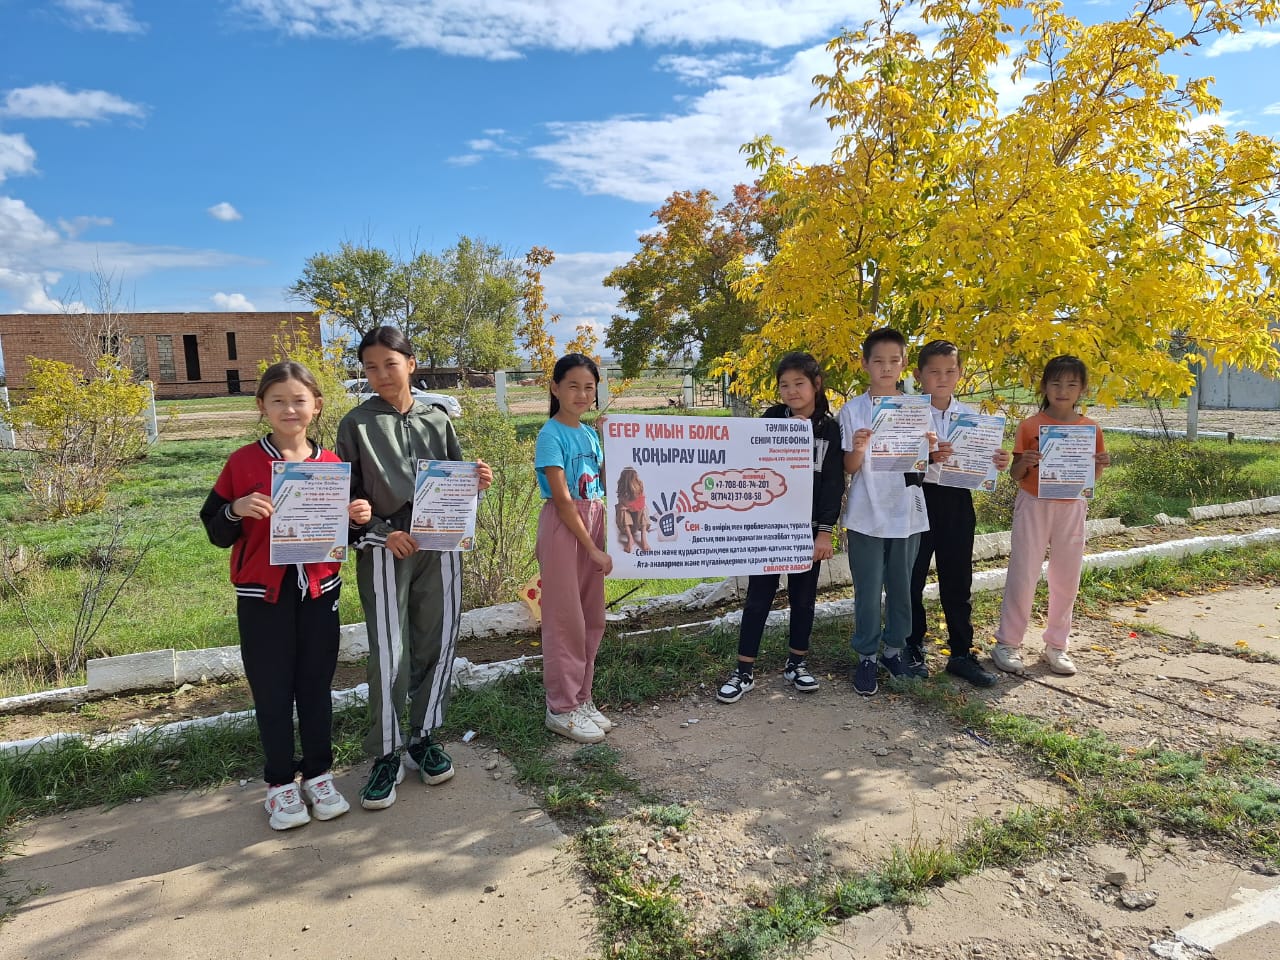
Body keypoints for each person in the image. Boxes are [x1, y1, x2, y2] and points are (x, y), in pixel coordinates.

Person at [201, 361, 371, 830]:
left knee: (316, 688)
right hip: (263, 598)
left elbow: (346, 538)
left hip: (320, 594)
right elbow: (215, 530)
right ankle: (279, 786)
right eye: (278, 400)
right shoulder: (243, 463)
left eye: (300, 400)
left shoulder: (333, 465)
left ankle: (318, 775)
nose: (289, 408)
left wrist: (356, 518)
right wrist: (236, 509)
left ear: (316, 406)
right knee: (273, 692)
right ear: (262, 407)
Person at [335, 327, 493, 810]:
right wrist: (383, 530)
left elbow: (454, 479)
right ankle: (386, 752)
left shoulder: (437, 418)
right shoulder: (356, 423)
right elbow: (347, 495)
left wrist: (477, 482)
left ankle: (423, 737)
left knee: (438, 639)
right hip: (385, 549)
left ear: (411, 362)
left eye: (389, 363)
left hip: (440, 546)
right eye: (370, 367)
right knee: (389, 649)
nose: (381, 374)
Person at [716, 352, 845, 704]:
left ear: (816, 385)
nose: (791, 391)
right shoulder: (771, 418)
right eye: (784, 385)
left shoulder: (830, 430)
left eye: (799, 384)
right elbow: (740, 456)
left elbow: (834, 484)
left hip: (806, 531)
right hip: (769, 530)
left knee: (804, 600)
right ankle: (743, 671)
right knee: (759, 598)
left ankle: (796, 664)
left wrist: (824, 532)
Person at [991, 355, 1110, 677]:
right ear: (1044, 386)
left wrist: (1099, 465)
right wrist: (1025, 462)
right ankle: (1007, 643)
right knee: (1023, 573)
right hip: (1033, 503)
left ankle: (1056, 645)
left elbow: (1090, 477)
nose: (1063, 390)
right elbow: (1015, 475)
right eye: (1056, 383)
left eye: (1072, 384)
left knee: (1066, 578)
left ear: (1082, 389)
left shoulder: (1090, 428)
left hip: (1072, 506)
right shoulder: (1030, 426)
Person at [906, 341, 1008, 687]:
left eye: (950, 371)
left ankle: (962, 653)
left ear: (961, 373)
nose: (943, 377)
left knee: (958, 579)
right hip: (918, 499)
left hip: (958, 501)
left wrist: (996, 463)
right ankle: (911, 645)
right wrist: (927, 456)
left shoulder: (974, 419)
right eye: (934, 371)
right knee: (912, 577)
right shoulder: (908, 414)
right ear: (919, 375)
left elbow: (981, 465)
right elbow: (895, 463)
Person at [839, 328, 932, 697]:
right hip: (865, 514)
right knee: (866, 589)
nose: (886, 368)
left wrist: (930, 451)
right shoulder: (853, 410)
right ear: (864, 364)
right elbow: (848, 467)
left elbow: (923, 468)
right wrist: (859, 448)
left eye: (894, 361)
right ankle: (865, 655)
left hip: (907, 513)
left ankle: (894, 651)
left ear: (904, 363)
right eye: (878, 361)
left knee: (902, 587)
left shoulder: (917, 408)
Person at [535, 353, 613, 743]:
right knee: (566, 621)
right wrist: (592, 548)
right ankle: (561, 707)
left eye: (589, 387)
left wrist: (613, 439)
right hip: (567, 530)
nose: (582, 394)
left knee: (591, 618)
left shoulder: (588, 434)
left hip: (593, 524)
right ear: (555, 388)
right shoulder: (551, 433)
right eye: (573, 386)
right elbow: (564, 499)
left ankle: (582, 697)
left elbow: (600, 481)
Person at [614, 466, 651, 553]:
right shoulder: (622, 489)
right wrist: (628, 507)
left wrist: (629, 507)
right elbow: (622, 505)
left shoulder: (640, 485)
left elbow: (641, 504)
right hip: (626, 527)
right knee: (622, 509)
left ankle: (643, 539)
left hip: (638, 524)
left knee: (644, 508)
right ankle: (630, 538)